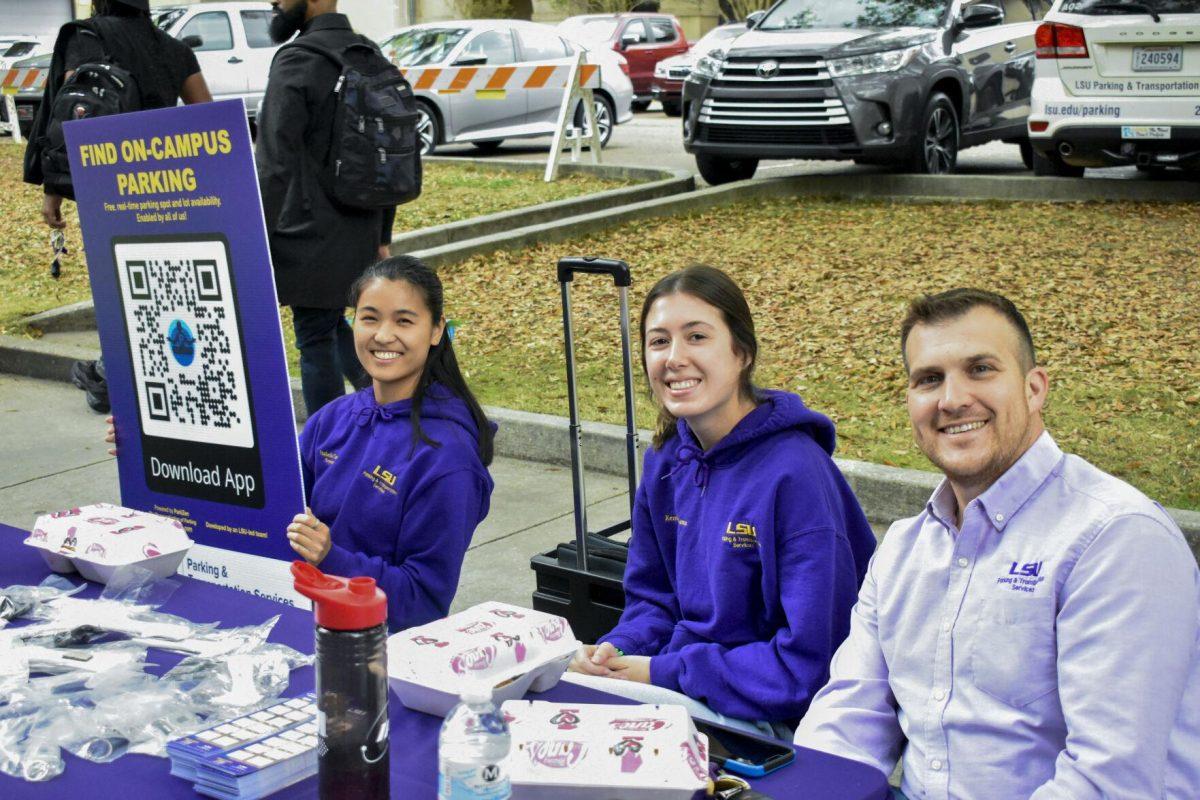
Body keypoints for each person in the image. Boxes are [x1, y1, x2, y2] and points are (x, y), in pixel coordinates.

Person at [794, 288, 1200, 799]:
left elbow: (1107, 781)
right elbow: (849, 719)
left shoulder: (1116, 540)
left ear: (1034, 388)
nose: (952, 399)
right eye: (929, 379)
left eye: (981, 369)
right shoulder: (903, 550)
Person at [567, 265, 877, 736]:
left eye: (696, 336)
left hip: (777, 717)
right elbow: (653, 598)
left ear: (742, 354)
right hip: (683, 683)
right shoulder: (667, 457)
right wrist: (619, 650)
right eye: (658, 341)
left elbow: (811, 666)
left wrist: (665, 671)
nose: (674, 357)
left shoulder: (797, 478)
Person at [286, 256, 495, 632]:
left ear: (436, 330)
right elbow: (279, 509)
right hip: (301, 619)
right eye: (369, 318)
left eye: (403, 321)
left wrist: (331, 558)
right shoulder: (330, 419)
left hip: (379, 651)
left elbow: (424, 601)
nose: (382, 335)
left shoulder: (448, 460)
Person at [24, 0, 212, 414]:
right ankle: (129, 374)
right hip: (166, 185)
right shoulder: (174, 47)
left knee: (116, 284)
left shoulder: (86, 36)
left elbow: (71, 108)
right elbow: (207, 115)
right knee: (155, 284)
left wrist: (52, 189)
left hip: (107, 183)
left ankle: (111, 376)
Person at [256, 0, 395, 417]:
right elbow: (387, 153)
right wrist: (383, 234)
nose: (274, 1)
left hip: (307, 232)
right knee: (332, 324)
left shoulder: (297, 60)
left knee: (314, 338)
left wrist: (253, 236)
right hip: (362, 227)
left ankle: (328, 450)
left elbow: (274, 162)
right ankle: (397, 412)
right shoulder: (370, 55)